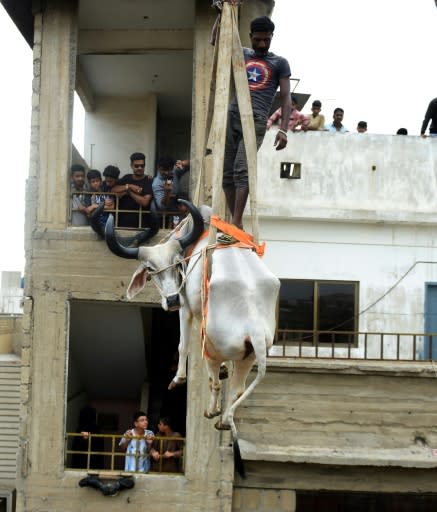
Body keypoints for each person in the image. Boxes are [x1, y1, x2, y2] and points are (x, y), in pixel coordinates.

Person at [222, 15, 291, 231]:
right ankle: (236, 225)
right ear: (250, 37)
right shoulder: (242, 53)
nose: (262, 44)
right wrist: (223, 12)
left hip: (256, 120)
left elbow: (286, 97)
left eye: (266, 40)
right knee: (226, 174)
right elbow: (217, 41)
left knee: (242, 170)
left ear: (272, 38)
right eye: (258, 39)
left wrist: (284, 130)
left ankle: (235, 223)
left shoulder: (279, 63)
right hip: (233, 115)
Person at [111, 152, 153, 228]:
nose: (139, 168)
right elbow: (113, 189)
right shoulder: (127, 178)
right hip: (122, 223)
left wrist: (129, 192)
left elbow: (145, 202)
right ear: (131, 166)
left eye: (142, 166)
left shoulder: (148, 180)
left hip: (141, 225)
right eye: (136, 166)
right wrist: (129, 186)